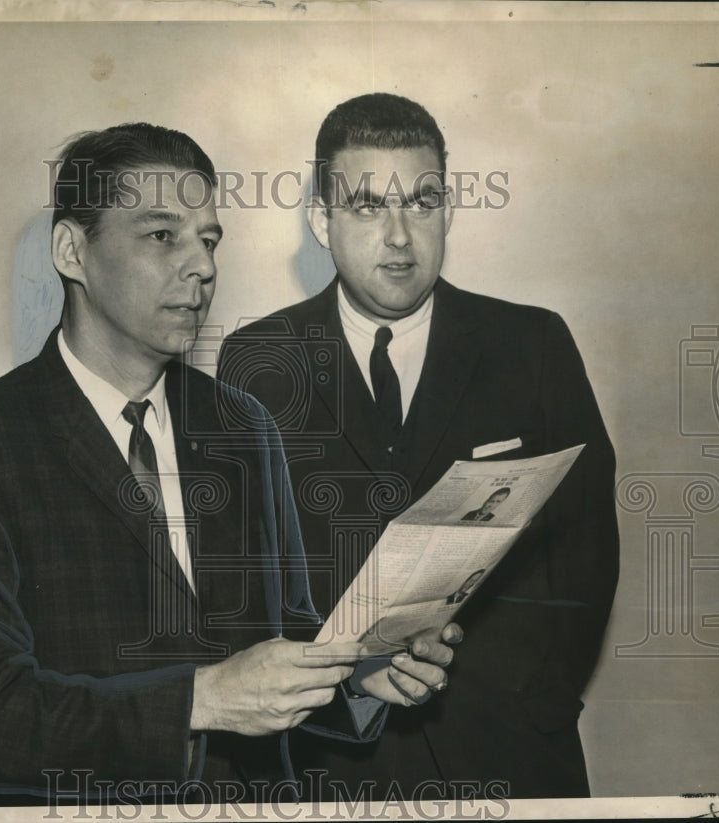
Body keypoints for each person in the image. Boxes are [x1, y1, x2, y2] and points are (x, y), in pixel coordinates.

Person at [0, 123, 458, 806]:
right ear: (72, 249)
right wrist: (200, 700)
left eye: (209, 240)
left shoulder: (243, 424)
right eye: (163, 236)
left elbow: (285, 634)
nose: (203, 266)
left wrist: (359, 673)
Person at [218, 93, 619, 799]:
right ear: (322, 221)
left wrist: (544, 706)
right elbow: (248, 581)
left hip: (511, 754)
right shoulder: (257, 359)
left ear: (449, 211)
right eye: (369, 205)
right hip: (327, 763)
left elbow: (587, 547)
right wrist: (342, 683)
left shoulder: (532, 344)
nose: (400, 237)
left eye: (423, 202)